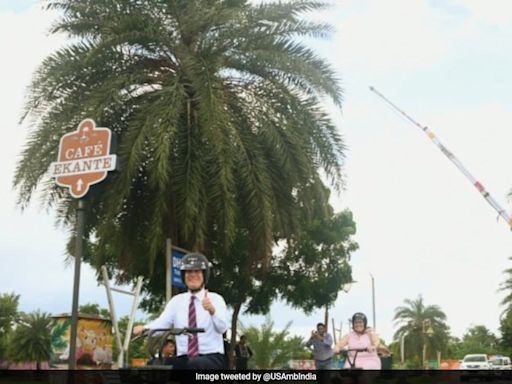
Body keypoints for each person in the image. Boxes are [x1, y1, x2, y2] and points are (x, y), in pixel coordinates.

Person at [133, 253, 227, 370]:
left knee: (194, 366)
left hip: (212, 357)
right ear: (183, 276)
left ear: (204, 275)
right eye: (188, 272)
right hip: (185, 357)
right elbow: (162, 323)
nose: (192, 275)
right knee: (155, 365)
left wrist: (212, 311)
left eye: (197, 271)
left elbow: (222, 328)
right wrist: (144, 328)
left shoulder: (215, 299)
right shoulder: (176, 301)